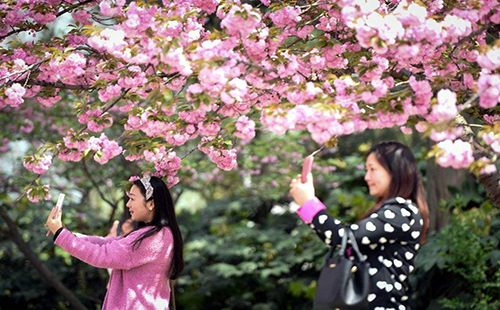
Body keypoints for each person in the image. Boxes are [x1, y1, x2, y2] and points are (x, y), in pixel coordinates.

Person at [289, 141, 429, 310]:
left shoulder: (401, 211)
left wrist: (309, 203)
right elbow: (342, 240)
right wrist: (308, 206)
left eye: (372, 169)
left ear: (396, 171)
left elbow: (343, 237)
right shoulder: (395, 211)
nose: (366, 177)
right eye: (366, 170)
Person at [45, 175, 184, 310]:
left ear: (151, 203)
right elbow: (105, 243)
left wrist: (61, 234)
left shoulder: (154, 237)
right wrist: (64, 232)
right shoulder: (158, 233)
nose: (128, 204)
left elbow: (102, 255)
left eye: (132, 199)